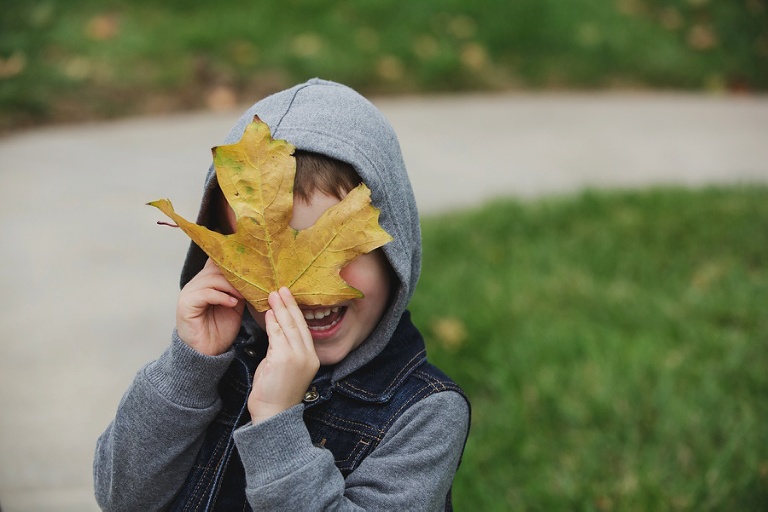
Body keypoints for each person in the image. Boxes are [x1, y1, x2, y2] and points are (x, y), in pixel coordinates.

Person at [93, 78, 470, 511]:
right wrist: (188, 367)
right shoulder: (212, 365)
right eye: (253, 256)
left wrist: (275, 424)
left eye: (338, 250)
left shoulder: (424, 414)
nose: (296, 293)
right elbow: (122, 497)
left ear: (394, 252)